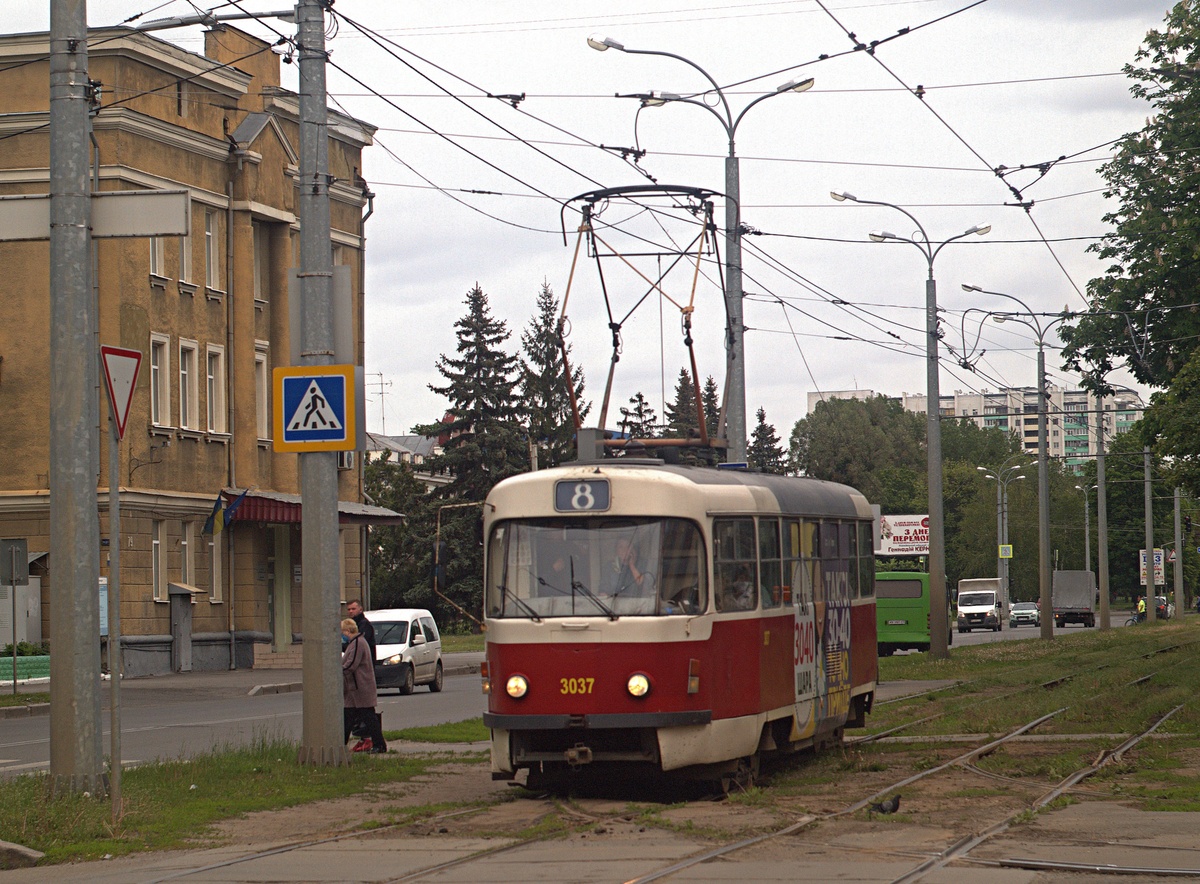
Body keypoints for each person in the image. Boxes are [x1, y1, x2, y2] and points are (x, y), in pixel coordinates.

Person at [342, 618, 386, 754]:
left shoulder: (358, 643)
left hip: (361, 687)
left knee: (369, 717)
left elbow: (351, 664)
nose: (341, 634)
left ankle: (380, 745)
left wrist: (337, 671)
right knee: (347, 718)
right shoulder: (353, 643)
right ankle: (340, 746)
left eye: (342, 631)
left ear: (348, 631)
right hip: (353, 689)